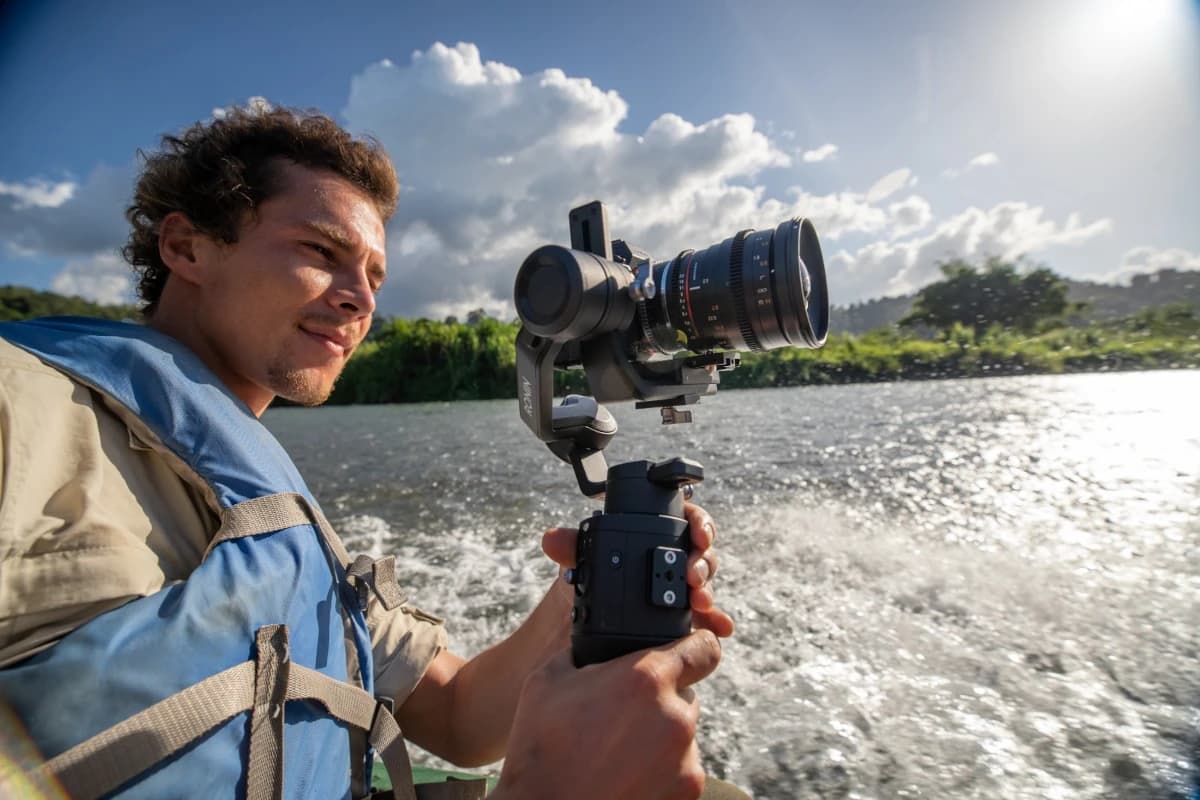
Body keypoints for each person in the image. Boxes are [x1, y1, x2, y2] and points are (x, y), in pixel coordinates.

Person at [0, 106, 742, 799]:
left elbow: (461, 718)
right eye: (321, 251)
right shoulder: (19, 400)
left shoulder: (282, 522)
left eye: (375, 276)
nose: (360, 298)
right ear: (186, 247)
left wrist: (588, 588)